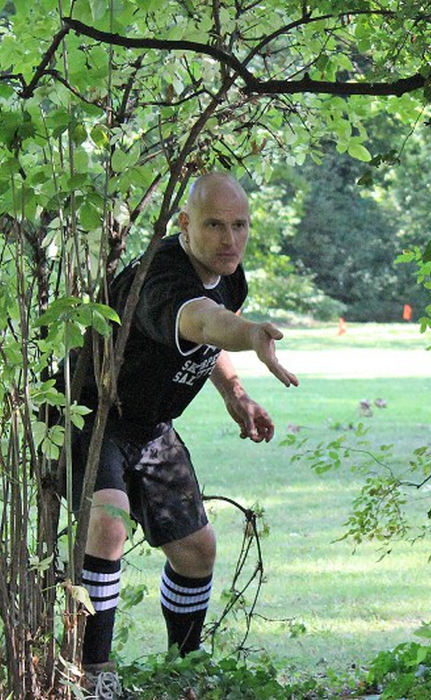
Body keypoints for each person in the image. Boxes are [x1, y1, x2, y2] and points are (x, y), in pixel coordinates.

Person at [67, 172, 298, 696]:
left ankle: (184, 670)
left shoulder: (229, 275)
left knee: (197, 549)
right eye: (215, 225)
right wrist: (250, 335)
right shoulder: (161, 278)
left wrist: (235, 394)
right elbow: (205, 323)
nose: (229, 239)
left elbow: (212, 331)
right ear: (184, 224)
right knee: (107, 522)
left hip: (149, 425)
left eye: (239, 226)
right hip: (91, 412)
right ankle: (92, 676)